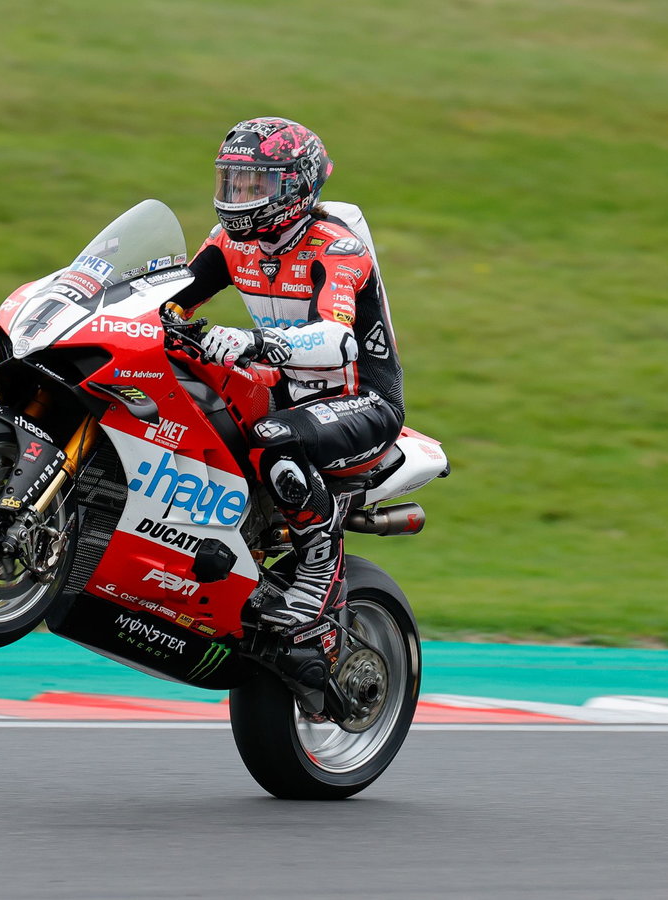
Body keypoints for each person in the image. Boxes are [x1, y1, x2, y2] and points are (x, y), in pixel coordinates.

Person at [169, 116, 405, 705]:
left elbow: (336, 340)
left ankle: (318, 570)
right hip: (282, 388)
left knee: (272, 437)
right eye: (232, 182)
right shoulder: (231, 243)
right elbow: (170, 297)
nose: (238, 199)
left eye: (255, 186)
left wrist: (253, 343)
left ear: (296, 187)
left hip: (359, 399)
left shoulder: (337, 247)